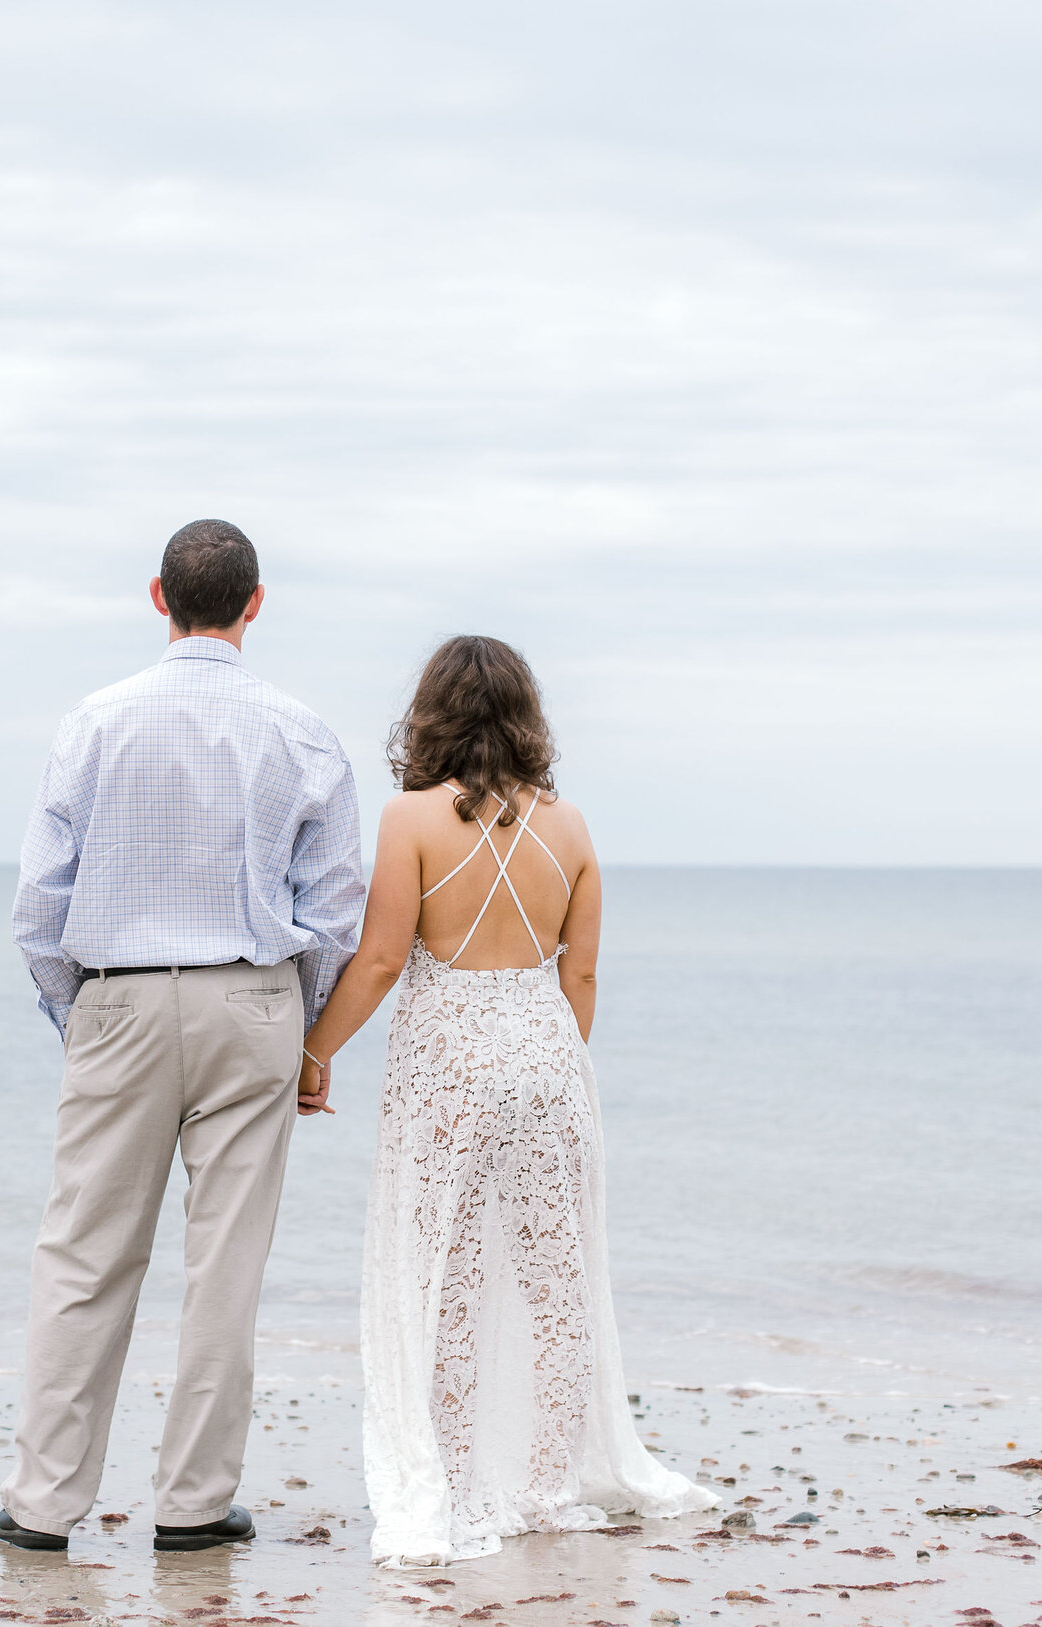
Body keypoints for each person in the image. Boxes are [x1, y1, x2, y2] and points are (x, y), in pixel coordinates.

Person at [298, 634, 716, 1565]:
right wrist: (549, 1065)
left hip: (449, 1067)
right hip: (550, 1066)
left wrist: (313, 1050)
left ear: (431, 714)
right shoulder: (570, 829)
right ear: (529, 717)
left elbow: (377, 962)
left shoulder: (410, 818)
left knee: (445, 1272)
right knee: (555, 1274)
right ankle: (541, 1482)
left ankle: (449, 1477)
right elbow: (586, 975)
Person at [0, 520, 365, 1554]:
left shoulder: (93, 720)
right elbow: (334, 907)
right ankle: (194, 1504)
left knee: (82, 1254)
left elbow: (38, 904)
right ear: (256, 603)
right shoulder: (303, 732)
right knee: (226, 1261)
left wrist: (81, 1011)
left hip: (115, 993)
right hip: (251, 995)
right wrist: (303, 1030)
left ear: (157, 597)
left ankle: (42, 1504)